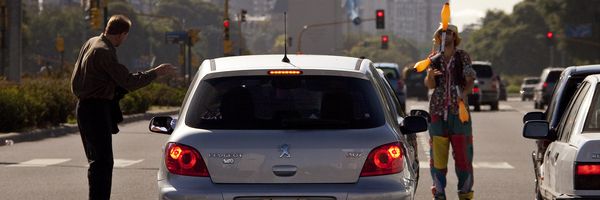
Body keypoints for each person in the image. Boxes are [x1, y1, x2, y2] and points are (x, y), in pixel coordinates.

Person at [70, 15, 175, 200]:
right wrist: (155, 73)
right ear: (122, 34)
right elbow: (127, 81)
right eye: (125, 36)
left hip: (85, 107)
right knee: (102, 163)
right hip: (95, 109)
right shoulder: (104, 51)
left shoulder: (93, 41)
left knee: (97, 161)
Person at [424, 23, 476, 200]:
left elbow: (470, 79)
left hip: (459, 113)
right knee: (438, 159)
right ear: (438, 38)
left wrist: (464, 93)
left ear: (454, 37)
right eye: (442, 33)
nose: (445, 36)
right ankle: (439, 193)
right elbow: (430, 85)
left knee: (463, 157)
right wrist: (430, 76)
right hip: (437, 113)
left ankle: (465, 194)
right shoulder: (433, 58)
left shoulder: (462, 57)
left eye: (449, 33)